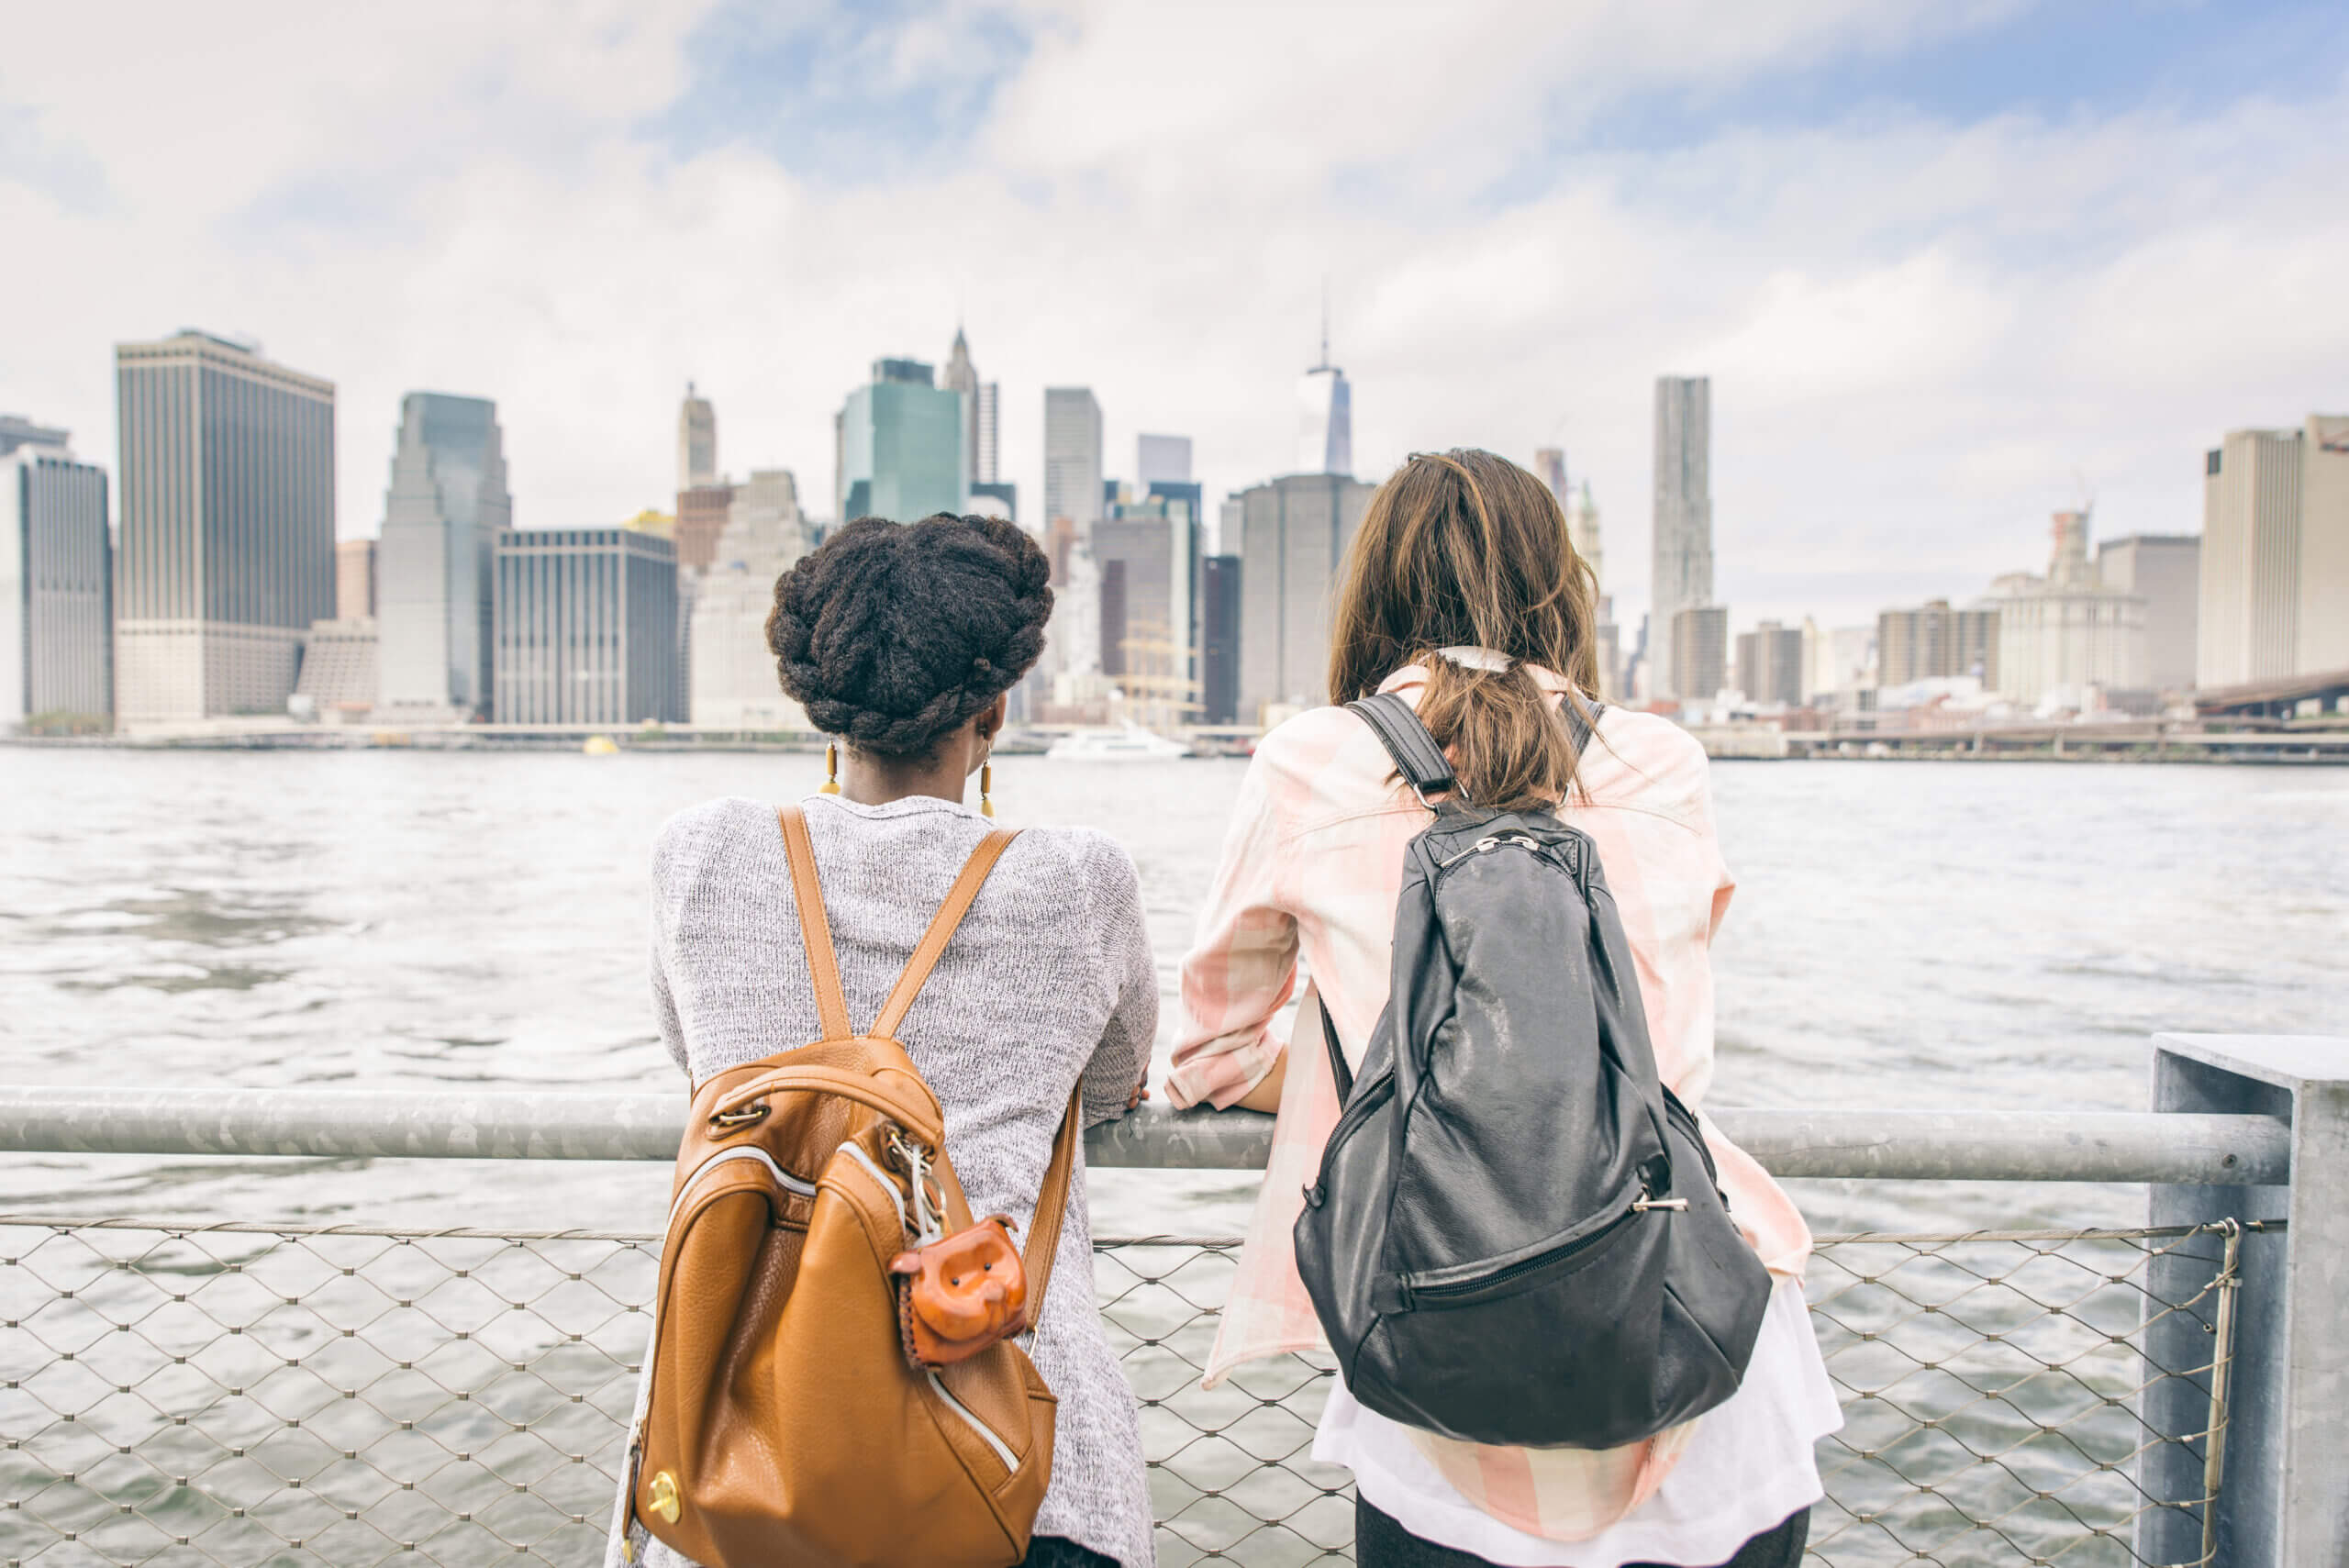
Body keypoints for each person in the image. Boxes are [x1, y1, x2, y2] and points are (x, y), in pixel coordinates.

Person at [1169, 451, 1840, 1568]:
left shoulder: (1309, 762)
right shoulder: (1662, 758)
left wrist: (1397, 1066)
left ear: (1373, 590)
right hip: (1706, 1346)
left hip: (1445, 1361)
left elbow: (1209, 1051)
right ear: (1557, 584)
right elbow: (1653, 1032)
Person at [616, 513, 1157, 1568]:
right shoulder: (1080, 878)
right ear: (993, 705)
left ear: (824, 704)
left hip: (745, 1462)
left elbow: (702, 1067)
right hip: (1019, 1461)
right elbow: (1114, 1082)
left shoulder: (699, 854)